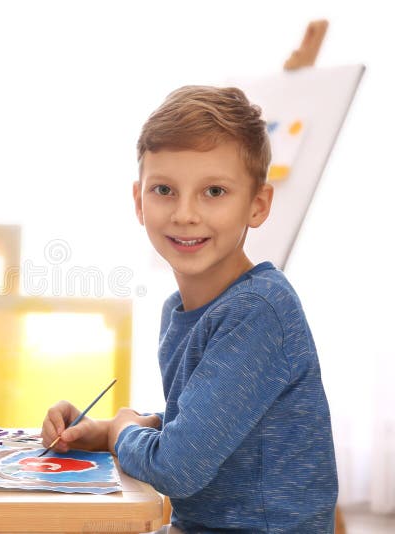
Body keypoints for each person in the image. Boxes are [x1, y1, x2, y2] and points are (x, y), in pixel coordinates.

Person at [41, 86, 338, 532]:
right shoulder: (183, 308)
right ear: (139, 202)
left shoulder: (257, 310)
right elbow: (210, 424)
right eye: (164, 190)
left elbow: (179, 468)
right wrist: (108, 430)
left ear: (258, 205)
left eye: (213, 191)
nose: (185, 214)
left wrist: (125, 433)